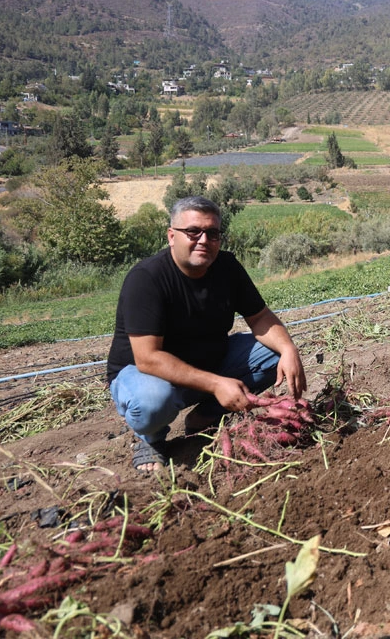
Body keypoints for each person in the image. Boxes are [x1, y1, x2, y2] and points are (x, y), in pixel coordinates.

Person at [107, 196, 306, 472]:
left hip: (208, 362)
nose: (203, 240)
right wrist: (216, 384)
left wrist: (289, 350)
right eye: (193, 232)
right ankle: (150, 439)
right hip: (146, 375)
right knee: (152, 402)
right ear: (171, 236)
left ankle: (203, 417)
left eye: (212, 233)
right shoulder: (147, 278)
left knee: (275, 354)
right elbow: (148, 358)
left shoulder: (227, 267)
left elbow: (260, 317)